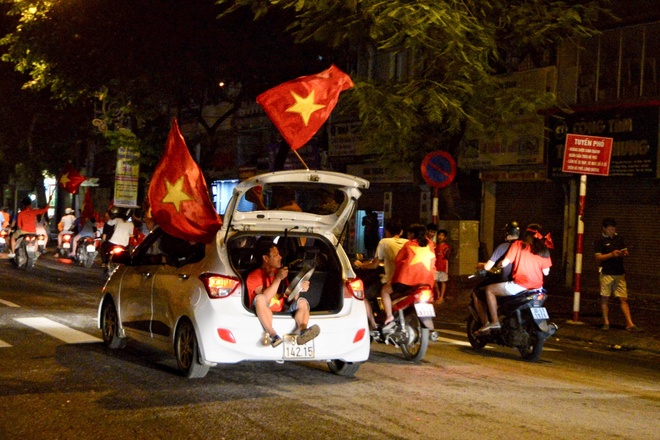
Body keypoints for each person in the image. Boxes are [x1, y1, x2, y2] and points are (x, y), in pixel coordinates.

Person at [478, 223, 553, 333]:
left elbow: (504, 263)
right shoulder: (544, 250)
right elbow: (546, 272)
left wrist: (500, 264)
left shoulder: (518, 244)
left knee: (489, 290)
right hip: (537, 288)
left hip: (519, 285)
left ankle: (494, 322)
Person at [246, 239, 320, 347]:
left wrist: (299, 288)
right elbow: (264, 299)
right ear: (266, 258)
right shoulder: (254, 276)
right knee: (260, 298)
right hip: (262, 312)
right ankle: (273, 335)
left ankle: (302, 331)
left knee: (302, 302)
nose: (280, 257)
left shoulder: (279, 273)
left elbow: (291, 299)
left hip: (282, 310)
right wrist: (277, 279)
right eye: (276, 255)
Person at [354, 218, 407, 329]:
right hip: (408, 279)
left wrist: (361, 265)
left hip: (392, 280)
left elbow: (374, 265)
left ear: (387, 232)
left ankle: (373, 324)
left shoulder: (384, 242)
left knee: (363, 296)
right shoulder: (407, 243)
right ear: (401, 232)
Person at [381, 224, 436, 330]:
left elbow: (398, 260)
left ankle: (389, 316)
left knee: (385, 291)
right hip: (427, 282)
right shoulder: (431, 244)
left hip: (407, 281)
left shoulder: (408, 244)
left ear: (412, 234)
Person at [594, 218, 640, 332]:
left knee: (623, 298)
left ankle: (630, 323)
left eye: (613, 229)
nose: (612, 231)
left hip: (619, 272)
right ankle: (606, 322)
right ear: (604, 229)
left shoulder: (619, 238)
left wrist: (623, 253)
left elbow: (625, 250)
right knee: (605, 298)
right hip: (606, 272)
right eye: (609, 229)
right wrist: (611, 254)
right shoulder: (599, 241)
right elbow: (598, 257)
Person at [472, 221, 521, 328]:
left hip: (508, 283)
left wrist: (479, 265)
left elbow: (487, 267)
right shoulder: (524, 247)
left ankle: (489, 323)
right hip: (523, 283)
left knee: (478, 292)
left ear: (507, 234)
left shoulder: (503, 247)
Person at [434, 229, 450, 304]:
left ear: (445, 237)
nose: (440, 237)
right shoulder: (435, 246)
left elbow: (448, 256)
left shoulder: (446, 246)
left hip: (443, 265)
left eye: (442, 235)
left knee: (443, 281)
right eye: (439, 235)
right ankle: (438, 295)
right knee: (435, 281)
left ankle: (441, 297)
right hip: (436, 265)